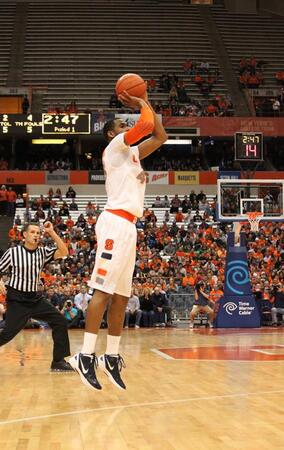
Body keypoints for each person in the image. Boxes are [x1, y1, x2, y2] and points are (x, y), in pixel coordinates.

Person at [69, 89, 167, 390]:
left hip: (130, 227)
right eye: (122, 126)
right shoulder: (114, 146)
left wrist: (147, 100)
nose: (127, 127)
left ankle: (110, 356)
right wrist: (140, 102)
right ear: (112, 133)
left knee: (121, 296)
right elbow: (145, 126)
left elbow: (159, 135)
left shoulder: (134, 155)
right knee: (102, 290)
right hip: (114, 222)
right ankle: (85, 355)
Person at [0, 221, 73, 372]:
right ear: (24, 235)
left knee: (60, 321)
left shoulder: (42, 252)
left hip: (35, 299)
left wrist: (51, 232)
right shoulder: (13, 253)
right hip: (17, 299)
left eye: (38, 233)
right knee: (7, 334)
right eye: (33, 232)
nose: (36, 235)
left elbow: (64, 252)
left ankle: (58, 361)